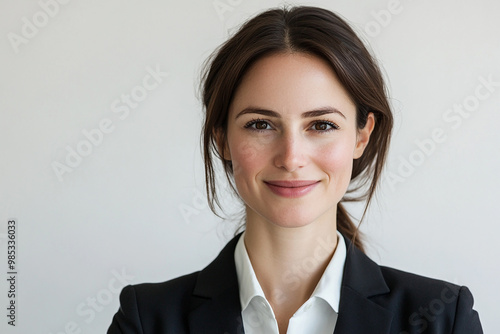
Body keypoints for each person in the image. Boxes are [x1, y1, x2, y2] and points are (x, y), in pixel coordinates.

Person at [107, 6, 483, 334]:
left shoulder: (441, 319)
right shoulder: (147, 320)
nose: (291, 157)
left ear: (361, 136)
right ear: (221, 137)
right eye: (260, 124)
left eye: (321, 125)